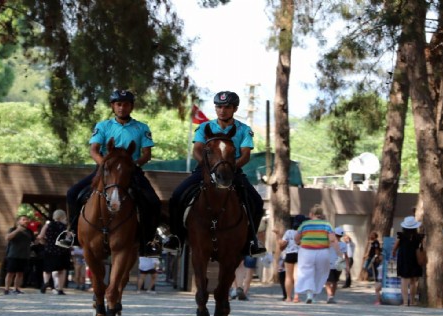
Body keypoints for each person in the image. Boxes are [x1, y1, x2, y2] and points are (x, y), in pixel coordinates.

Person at [62, 89, 161, 256]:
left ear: (132, 107)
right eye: (118, 104)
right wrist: (106, 166)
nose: (122, 108)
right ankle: (71, 233)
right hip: (104, 170)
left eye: (126, 104)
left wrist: (131, 165)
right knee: (73, 193)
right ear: (113, 106)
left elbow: (146, 154)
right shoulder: (103, 126)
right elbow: (93, 150)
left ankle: (149, 241)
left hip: (131, 171)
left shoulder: (142, 127)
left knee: (153, 201)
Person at [168, 91, 266, 257]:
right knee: (177, 195)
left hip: (232, 171)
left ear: (235, 109)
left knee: (256, 201)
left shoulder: (244, 129)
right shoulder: (204, 127)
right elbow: (197, 150)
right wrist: (207, 167)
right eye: (219, 106)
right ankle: (175, 237)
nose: (222, 110)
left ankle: (251, 241)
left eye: (227, 107)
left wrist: (231, 169)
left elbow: (245, 155)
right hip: (205, 170)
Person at [294, 204, 340, 304]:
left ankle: (309, 294)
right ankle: (313, 295)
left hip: (306, 251)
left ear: (311, 214)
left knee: (306, 272)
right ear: (321, 214)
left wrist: (299, 243)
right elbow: (332, 240)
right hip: (323, 251)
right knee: (321, 273)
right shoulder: (327, 225)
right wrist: (339, 254)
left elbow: (296, 238)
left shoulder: (305, 224)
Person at [392, 217, 424, 306]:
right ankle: (412, 301)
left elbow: (395, 247)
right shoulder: (419, 237)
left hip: (404, 259)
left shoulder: (401, 236)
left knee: (404, 281)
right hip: (415, 259)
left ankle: (405, 302)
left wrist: (394, 252)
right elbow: (422, 247)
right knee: (414, 281)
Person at [37, 210, 70, 295]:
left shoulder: (47, 225)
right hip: (61, 251)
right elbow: (67, 239)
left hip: (49, 249)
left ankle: (46, 283)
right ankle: (60, 289)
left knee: (47, 269)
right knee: (61, 271)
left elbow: (40, 236)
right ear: (63, 216)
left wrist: (44, 242)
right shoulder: (65, 227)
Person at [277, 214, 307, 303]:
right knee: (297, 276)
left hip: (289, 254)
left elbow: (282, 244)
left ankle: (288, 297)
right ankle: (296, 297)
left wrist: (278, 236)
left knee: (288, 277)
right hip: (300, 255)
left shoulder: (288, 232)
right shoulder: (304, 233)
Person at [4, 215, 34, 295]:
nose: (26, 221)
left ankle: (16, 288)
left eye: (27, 219)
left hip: (24, 255)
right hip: (13, 255)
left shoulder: (29, 231)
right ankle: (6, 289)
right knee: (10, 273)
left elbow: (34, 241)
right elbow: (7, 238)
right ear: (19, 221)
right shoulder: (13, 229)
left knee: (20, 273)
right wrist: (18, 230)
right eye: (24, 219)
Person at [325, 226, 345, 304]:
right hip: (340, 263)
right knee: (335, 282)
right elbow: (346, 256)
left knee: (327, 282)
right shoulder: (344, 245)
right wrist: (347, 267)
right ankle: (331, 296)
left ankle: (330, 296)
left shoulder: (329, 244)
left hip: (330, 263)